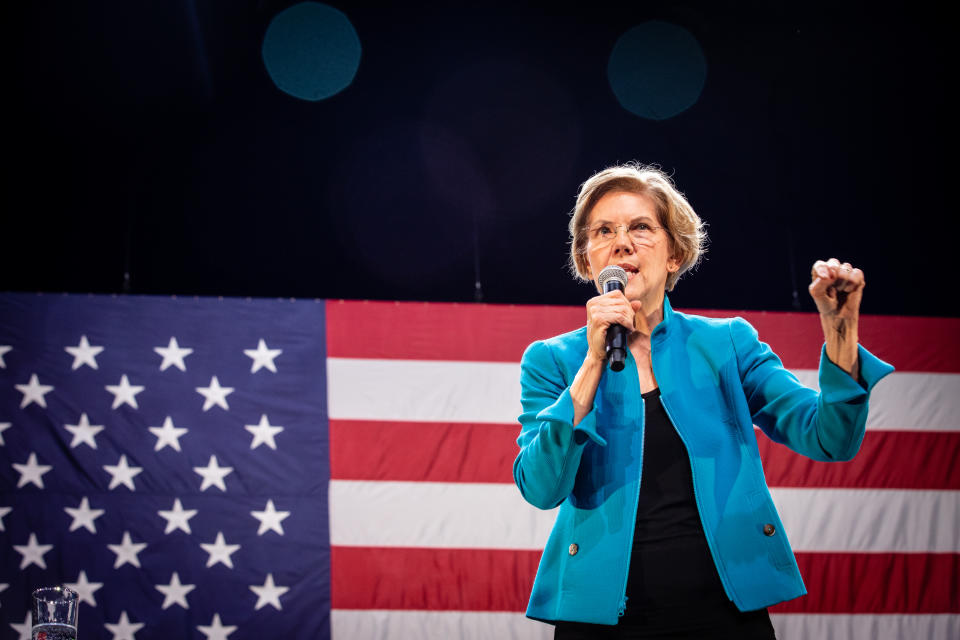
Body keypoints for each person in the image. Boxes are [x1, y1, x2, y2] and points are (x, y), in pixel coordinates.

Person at [513, 163, 894, 639]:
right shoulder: (552, 360)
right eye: (604, 231)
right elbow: (541, 488)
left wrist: (841, 331)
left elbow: (829, 438)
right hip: (599, 617)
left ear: (674, 254)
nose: (622, 242)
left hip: (723, 609)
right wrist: (591, 363)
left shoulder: (727, 343)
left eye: (641, 227)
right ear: (588, 261)